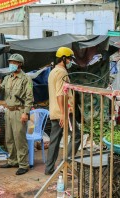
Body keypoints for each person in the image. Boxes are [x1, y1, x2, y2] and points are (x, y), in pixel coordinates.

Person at [44, 47, 81, 175]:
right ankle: (65, 165)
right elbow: (61, 94)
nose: (71, 61)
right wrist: (64, 115)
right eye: (70, 58)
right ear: (64, 59)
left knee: (54, 140)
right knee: (77, 136)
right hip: (63, 112)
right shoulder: (62, 73)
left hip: (55, 111)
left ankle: (49, 169)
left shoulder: (53, 71)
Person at [0, 53, 34, 175]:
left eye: (14, 62)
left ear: (20, 64)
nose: (11, 64)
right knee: (9, 138)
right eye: (10, 62)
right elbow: (1, 91)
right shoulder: (7, 78)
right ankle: (12, 161)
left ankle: (23, 164)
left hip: (19, 111)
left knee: (19, 139)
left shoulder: (26, 78)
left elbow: (29, 97)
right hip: (8, 111)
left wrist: (26, 113)